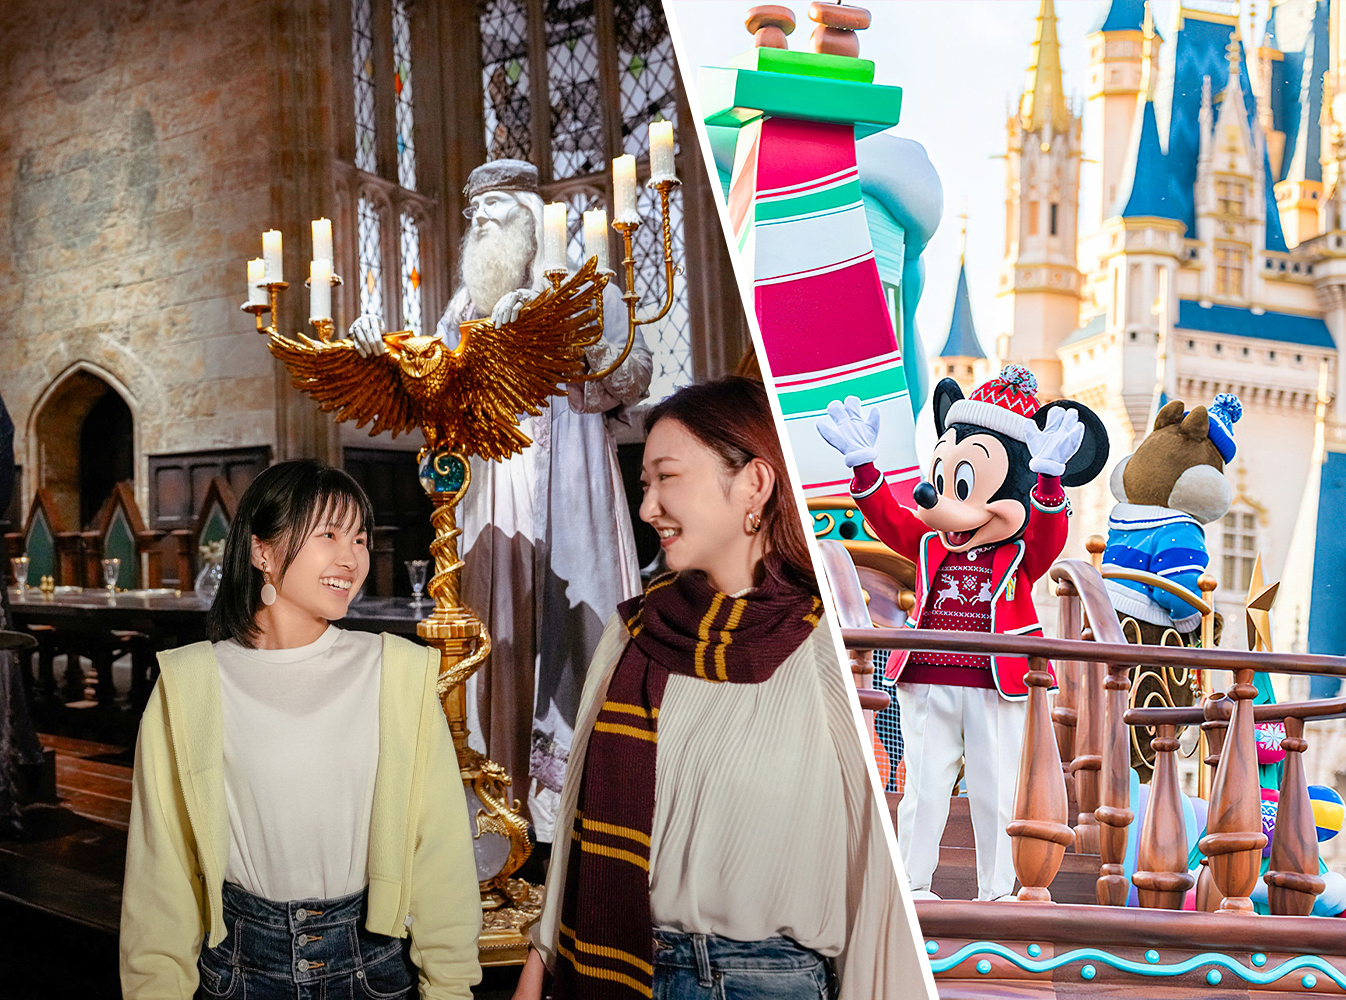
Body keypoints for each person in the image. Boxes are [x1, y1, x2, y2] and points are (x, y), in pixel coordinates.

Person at [511, 377, 928, 1000]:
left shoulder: (821, 648)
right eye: (644, 483)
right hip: (619, 970)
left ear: (753, 484)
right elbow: (575, 821)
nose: (647, 506)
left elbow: (876, 869)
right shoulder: (632, 633)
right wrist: (536, 970)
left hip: (764, 982)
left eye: (666, 478)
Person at [349, 158, 653, 836]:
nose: (482, 223)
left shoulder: (586, 286)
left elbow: (633, 369)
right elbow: (433, 399)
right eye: (475, 216)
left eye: (496, 211)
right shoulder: (463, 312)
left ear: (528, 219)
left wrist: (566, 339)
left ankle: (574, 818)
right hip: (492, 485)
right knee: (498, 633)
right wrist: (381, 353)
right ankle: (498, 811)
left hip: (571, 474)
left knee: (578, 627)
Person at [119, 460, 481, 1000]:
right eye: (328, 535)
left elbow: (442, 850)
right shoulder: (191, 681)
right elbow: (160, 866)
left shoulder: (395, 671)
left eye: (359, 537)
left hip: (373, 965)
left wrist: (450, 986)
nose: (351, 557)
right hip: (239, 968)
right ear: (262, 551)